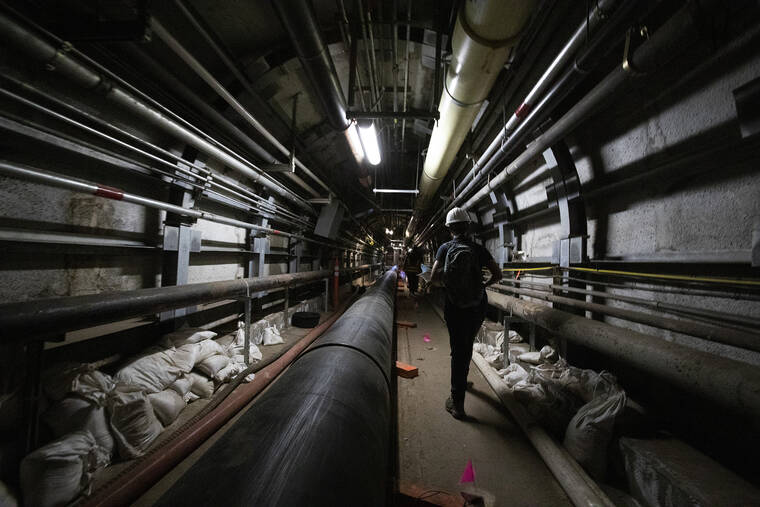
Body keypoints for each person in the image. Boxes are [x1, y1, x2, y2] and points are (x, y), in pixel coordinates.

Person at [430, 207, 502, 420]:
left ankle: (457, 402)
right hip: (477, 306)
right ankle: (462, 380)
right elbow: (498, 275)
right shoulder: (478, 249)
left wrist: (449, 285)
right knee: (467, 345)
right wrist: (482, 286)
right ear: (468, 226)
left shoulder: (444, 248)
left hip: (454, 306)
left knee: (457, 349)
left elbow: (434, 277)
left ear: (450, 228)